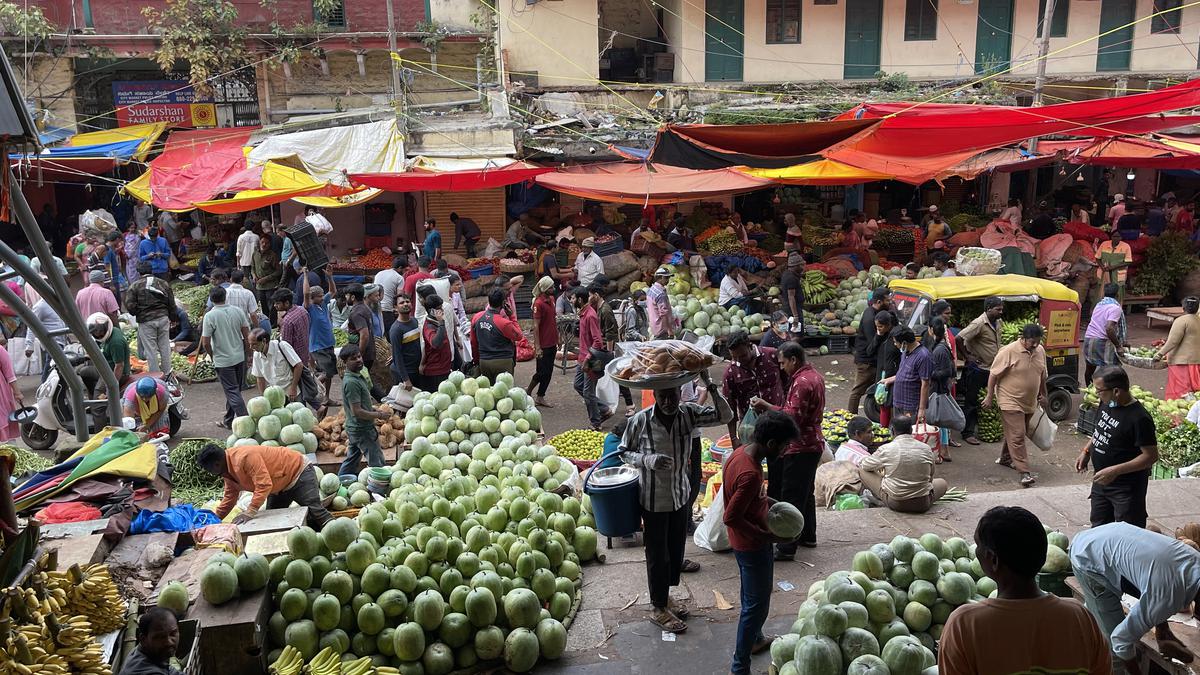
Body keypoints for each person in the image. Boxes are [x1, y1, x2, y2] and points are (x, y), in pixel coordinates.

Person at [621, 370, 731, 632]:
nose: (668, 401)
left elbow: (726, 416)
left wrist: (710, 385)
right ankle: (658, 607)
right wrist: (648, 461)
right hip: (653, 499)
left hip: (680, 495)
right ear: (655, 396)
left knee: (675, 551)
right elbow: (623, 452)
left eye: (672, 395)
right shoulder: (640, 421)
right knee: (657, 555)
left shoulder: (690, 414)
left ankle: (665, 595)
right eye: (663, 396)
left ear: (680, 394)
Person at [939, 506, 1111, 675]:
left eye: (978, 545)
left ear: (993, 559)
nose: (976, 551)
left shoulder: (964, 625)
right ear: (1043, 556)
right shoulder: (1080, 617)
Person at [724, 410, 801, 674]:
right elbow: (731, 516)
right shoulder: (751, 474)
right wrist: (770, 537)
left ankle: (756, 640)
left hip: (745, 543)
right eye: (784, 445)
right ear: (771, 445)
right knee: (756, 605)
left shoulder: (741, 453)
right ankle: (739, 666)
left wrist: (771, 503)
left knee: (752, 597)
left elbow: (749, 501)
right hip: (751, 545)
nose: (785, 450)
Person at [1072, 522, 1200, 673]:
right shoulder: (1169, 595)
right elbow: (1120, 640)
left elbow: (1155, 580)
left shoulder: (1195, 561)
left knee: (1101, 616)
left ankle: (1077, 640)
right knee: (1115, 649)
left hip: (1108, 537)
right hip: (1088, 557)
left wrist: (1162, 631)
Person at [751, 341, 824, 559]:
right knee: (805, 494)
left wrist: (766, 406)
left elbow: (792, 417)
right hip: (813, 443)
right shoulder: (815, 376)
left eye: (783, 363)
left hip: (801, 446)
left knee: (791, 497)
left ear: (794, 360)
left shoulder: (802, 382)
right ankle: (808, 535)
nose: (781, 368)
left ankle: (786, 546)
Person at [1076, 365, 1157, 527]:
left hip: (1125, 490)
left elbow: (1151, 456)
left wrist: (1114, 471)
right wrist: (1087, 450)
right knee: (1099, 527)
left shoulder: (1139, 418)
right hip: (1101, 482)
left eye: (1100, 390)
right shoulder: (1106, 402)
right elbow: (1101, 430)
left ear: (1117, 391)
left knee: (1126, 533)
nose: (1097, 394)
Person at [198, 443, 332, 528]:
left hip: (298, 473)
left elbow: (264, 485)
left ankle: (342, 539)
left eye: (209, 470)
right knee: (272, 520)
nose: (210, 473)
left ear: (216, 464)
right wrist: (214, 519)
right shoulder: (227, 471)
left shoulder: (244, 458)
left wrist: (250, 511)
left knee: (316, 511)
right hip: (278, 487)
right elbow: (230, 497)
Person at [984, 323, 1048, 487]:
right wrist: (990, 396)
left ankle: (1006, 458)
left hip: (1029, 401)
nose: (1034, 345)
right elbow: (993, 375)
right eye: (1031, 342)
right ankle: (1024, 473)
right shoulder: (1008, 351)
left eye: (1037, 342)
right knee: (1018, 434)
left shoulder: (1040, 351)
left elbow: (1042, 374)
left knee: (1018, 432)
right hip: (1009, 399)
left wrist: (1043, 394)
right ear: (1023, 338)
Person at [858, 415, 948, 513]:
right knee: (942, 483)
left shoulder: (886, 449)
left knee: (862, 470)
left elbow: (865, 465)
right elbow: (930, 479)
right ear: (911, 430)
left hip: (896, 503)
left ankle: (880, 499)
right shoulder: (926, 448)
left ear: (892, 430)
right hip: (923, 503)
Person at [722, 331, 784, 447]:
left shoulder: (772, 355)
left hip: (778, 421)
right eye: (734, 357)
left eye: (743, 356)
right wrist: (734, 438)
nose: (738, 360)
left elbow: (787, 383)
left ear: (750, 346)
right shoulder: (730, 372)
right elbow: (730, 408)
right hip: (750, 428)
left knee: (779, 460)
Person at [201, 285, 251, 428]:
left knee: (232, 391)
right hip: (239, 357)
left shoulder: (210, 316)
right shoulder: (238, 311)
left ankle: (245, 421)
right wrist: (248, 354)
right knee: (235, 391)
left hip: (223, 361)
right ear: (225, 296)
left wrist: (212, 355)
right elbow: (247, 336)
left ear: (211, 299)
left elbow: (205, 342)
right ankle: (228, 420)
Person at [957, 296, 1004, 445]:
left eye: (1001, 309)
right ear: (988, 309)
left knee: (988, 400)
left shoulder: (998, 322)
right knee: (971, 401)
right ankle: (967, 433)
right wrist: (967, 356)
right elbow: (959, 338)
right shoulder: (978, 323)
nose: (1001, 312)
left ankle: (981, 429)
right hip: (978, 369)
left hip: (993, 368)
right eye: (998, 309)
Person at [338, 344, 390, 476]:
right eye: (353, 359)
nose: (359, 360)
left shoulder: (358, 376)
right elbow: (357, 411)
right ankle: (378, 490)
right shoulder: (351, 383)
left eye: (359, 356)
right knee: (376, 461)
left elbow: (360, 406)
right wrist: (379, 415)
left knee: (352, 459)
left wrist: (371, 408)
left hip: (355, 428)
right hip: (362, 429)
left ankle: (341, 481)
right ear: (345, 362)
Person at [126, 261, 176, 380]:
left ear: (138, 272)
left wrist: (139, 312)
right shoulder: (163, 283)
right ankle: (167, 374)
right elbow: (171, 303)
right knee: (164, 347)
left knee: (151, 350)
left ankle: (156, 378)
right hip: (163, 318)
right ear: (152, 270)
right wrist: (172, 317)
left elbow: (130, 307)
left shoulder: (135, 286)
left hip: (146, 321)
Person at [850, 288, 890, 414]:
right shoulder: (870, 318)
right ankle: (850, 417)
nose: (890, 303)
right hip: (866, 362)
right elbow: (872, 345)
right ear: (879, 302)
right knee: (857, 391)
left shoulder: (876, 314)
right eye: (887, 301)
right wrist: (880, 334)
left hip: (872, 360)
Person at [468, 288, 521, 381]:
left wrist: (477, 360)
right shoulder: (504, 323)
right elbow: (519, 336)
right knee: (504, 392)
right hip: (503, 361)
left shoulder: (476, 317)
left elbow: (473, 342)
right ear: (504, 303)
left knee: (488, 392)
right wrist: (512, 316)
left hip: (484, 361)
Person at [302, 270, 337, 411]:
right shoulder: (309, 307)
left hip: (329, 343)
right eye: (319, 296)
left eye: (323, 296)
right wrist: (305, 275)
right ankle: (312, 388)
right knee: (326, 372)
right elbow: (305, 294)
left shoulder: (322, 305)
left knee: (330, 374)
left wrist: (329, 277)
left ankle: (326, 397)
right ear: (312, 297)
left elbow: (333, 291)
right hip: (317, 346)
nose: (323, 298)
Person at [882, 326, 931, 423]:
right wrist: (890, 379)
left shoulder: (923, 356)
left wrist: (921, 409)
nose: (895, 344)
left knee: (909, 434)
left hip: (911, 406)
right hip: (899, 403)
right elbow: (905, 373)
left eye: (896, 342)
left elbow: (925, 384)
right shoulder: (905, 352)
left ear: (904, 342)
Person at [574, 287, 606, 430]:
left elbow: (598, 341)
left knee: (588, 392)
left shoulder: (590, 316)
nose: (571, 300)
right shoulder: (583, 313)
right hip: (582, 358)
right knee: (577, 385)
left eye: (573, 298)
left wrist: (587, 359)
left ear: (580, 300)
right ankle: (604, 409)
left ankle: (596, 423)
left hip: (591, 360)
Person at [1156, 295, 1200, 399]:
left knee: (1181, 394)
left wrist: (1159, 354)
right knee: (1193, 393)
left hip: (1182, 362)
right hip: (1196, 361)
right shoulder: (1198, 320)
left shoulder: (1181, 321)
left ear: (1183, 308)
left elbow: (1173, 341)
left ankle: (1177, 415)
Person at [1083, 283, 1127, 384]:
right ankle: (1108, 393)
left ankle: (1089, 391)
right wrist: (1118, 346)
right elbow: (1109, 328)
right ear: (1117, 295)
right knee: (1112, 370)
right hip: (1102, 341)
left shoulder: (1099, 305)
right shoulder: (1115, 308)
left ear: (1104, 294)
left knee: (1090, 367)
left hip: (1089, 339)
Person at [119, 607, 183, 675]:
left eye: (173, 634)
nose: (169, 642)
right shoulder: (148, 672)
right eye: (160, 637)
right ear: (143, 640)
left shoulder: (153, 653)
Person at [928, 318, 958, 460]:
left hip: (939, 389)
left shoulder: (940, 349)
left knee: (938, 421)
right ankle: (943, 450)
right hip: (940, 388)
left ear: (931, 330)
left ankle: (942, 451)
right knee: (940, 421)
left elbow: (946, 371)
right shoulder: (941, 346)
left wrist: (929, 374)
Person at [249, 327, 306, 400]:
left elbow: (299, 365)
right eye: (250, 344)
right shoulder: (256, 355)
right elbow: (260, 378)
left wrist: (293, 387)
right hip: (276, 395)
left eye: (254, 344)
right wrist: (264, 398)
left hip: (292, 391)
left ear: (264, 341)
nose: (251, 347)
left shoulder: (282, 346)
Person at [527, 276, 557, 408]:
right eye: (551, 287)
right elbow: (536, 326)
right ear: (545, 289)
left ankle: (540, 396)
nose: (553, 289)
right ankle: (528, 392)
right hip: (543, 344)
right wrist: (537, 347)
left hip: (552, 342)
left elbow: (553, 320)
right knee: (541, 372)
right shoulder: (538, 304)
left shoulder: (551, 300)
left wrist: (559, 337)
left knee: (549, 371)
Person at [87, 313, 130, 391]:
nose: (98, 333)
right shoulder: (110, 334)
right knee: (84, 373)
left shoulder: (116, 342)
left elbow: (119, 366)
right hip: (105, 368)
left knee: (98, 392)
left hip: (114, 373)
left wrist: (111, 387)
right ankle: (91, 396)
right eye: (95, 331)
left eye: (100, 331)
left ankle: (99, 400)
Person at [418, 295, 453, 391]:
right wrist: (441, 322)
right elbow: (435, 343)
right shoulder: (429, 327)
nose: (442, 310)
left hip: (444, 368)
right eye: (439, 308)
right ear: (431, 311)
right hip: (436, 372)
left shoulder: (436, 322)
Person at [873, 312, 901, 428]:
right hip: (882, 375)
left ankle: (897, 431)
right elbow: (870, 351)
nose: (878, 328)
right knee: (883, 404)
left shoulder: (897, 335)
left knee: (896, 406)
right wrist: (878, 335)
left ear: (889, 325)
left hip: (894, 375)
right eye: (877, 326)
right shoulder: (881, 336)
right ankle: (884, 430)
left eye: (880, 326)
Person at [389, 295, 421, 390]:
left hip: (417, 369)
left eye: (407, 301)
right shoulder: (396, 329)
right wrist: (405, 379)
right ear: (395, 307)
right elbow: (397, 356)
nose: (405, 304)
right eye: (401, 303)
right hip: (406, 372)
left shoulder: (415, 321)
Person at [252, 235, 282, 317]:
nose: (264, 244)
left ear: (270, 244)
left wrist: (266, 279)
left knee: (272, 306)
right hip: (259, 286)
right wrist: (254, 275)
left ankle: (273, 325)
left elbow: (278, 271)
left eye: (267, 243)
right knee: (263, 305)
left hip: (270, 286)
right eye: (262, 242)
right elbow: (252, 267)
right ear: (259, 243)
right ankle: (266, 322)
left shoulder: (272, 255)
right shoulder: (255, 254)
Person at [374, 257, 406, 331]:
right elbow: (399, 297)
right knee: (389, 333)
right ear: (400, 268)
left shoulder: (379, 273)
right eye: (404, 269)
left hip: (375, 308)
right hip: (386, 310)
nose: (404, 272)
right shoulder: (399, 278)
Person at [646, 266, 678, 339]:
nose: (668, 280)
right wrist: (669, 330)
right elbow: (664, 314)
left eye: (668, 278)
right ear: (659, 278)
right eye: (666, 278)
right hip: (662, 329)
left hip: (655, 326)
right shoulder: (660, 294)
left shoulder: (651, 290)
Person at [779, 251, 804, 321]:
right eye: (801, 265)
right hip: (792, 310)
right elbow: (791, 297)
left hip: (790, 308)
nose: (802, 267)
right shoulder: (791, 278)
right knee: (797, 331)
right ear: (796, 266)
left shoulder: (787, 273)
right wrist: (795, 316)